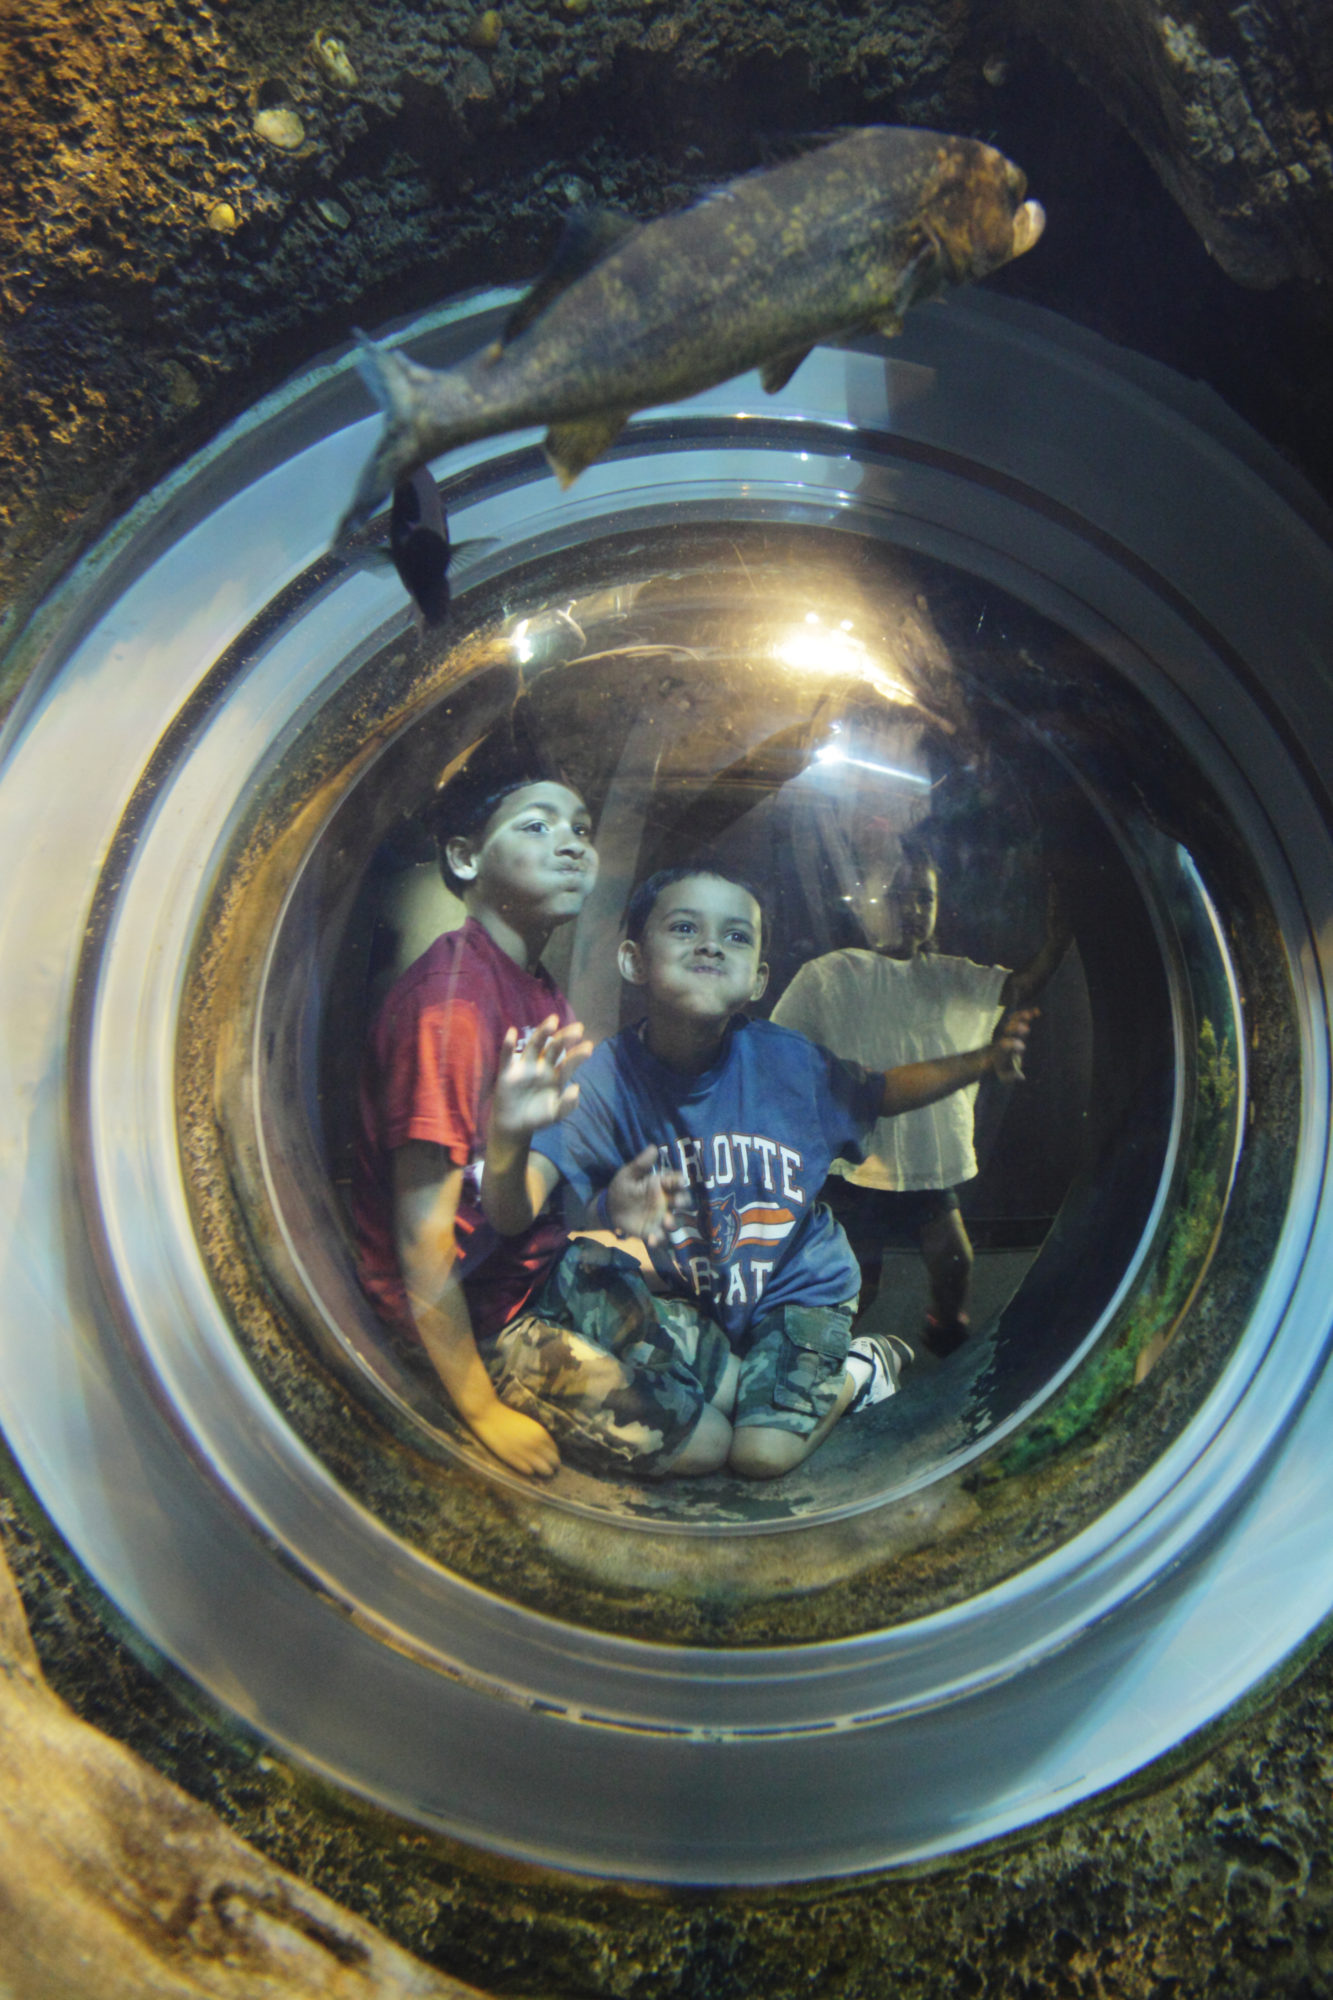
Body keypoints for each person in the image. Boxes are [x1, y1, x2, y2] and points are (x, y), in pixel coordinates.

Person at [481, 863, 1034, 1480]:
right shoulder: (606, 1079)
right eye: (685, 926)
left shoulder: (787, 1063)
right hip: (707, 1294)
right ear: (633, 961)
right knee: (577, 1276)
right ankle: (749, 1378)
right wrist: (508, 1136)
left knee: (760, 1456)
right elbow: (512, 1212)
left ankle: (861, 1367)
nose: (712, 944)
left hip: (801, 1291)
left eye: (737, 936)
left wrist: (984, 1059)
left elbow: (883, 1092)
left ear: (758, 981)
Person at [350, 746, 736, 1482]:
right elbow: (420, 1239)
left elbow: (510, 1200)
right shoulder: (449, 1010)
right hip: (481, 1322)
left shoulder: (533, 988)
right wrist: (479, 1409)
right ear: (465, 858)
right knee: (713, 1443)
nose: (570, 843)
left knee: (732, 1383)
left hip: (534, 1271)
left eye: (581, 829)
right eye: (536, 825)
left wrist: (598, 1202)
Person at [769, 842, 1070, 1355]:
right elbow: (778, 1048)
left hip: (922, 1159)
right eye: (899, 897)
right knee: (856, 1276)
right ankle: (827, 1361)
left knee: (955, 1259)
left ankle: (945, 1329)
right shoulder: (832, 974)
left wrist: (1058, 938)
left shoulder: (949, 975)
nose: (912, 911)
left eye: (923, 900)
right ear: (867, 901)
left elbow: (1020, 986)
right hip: (857, 1161)